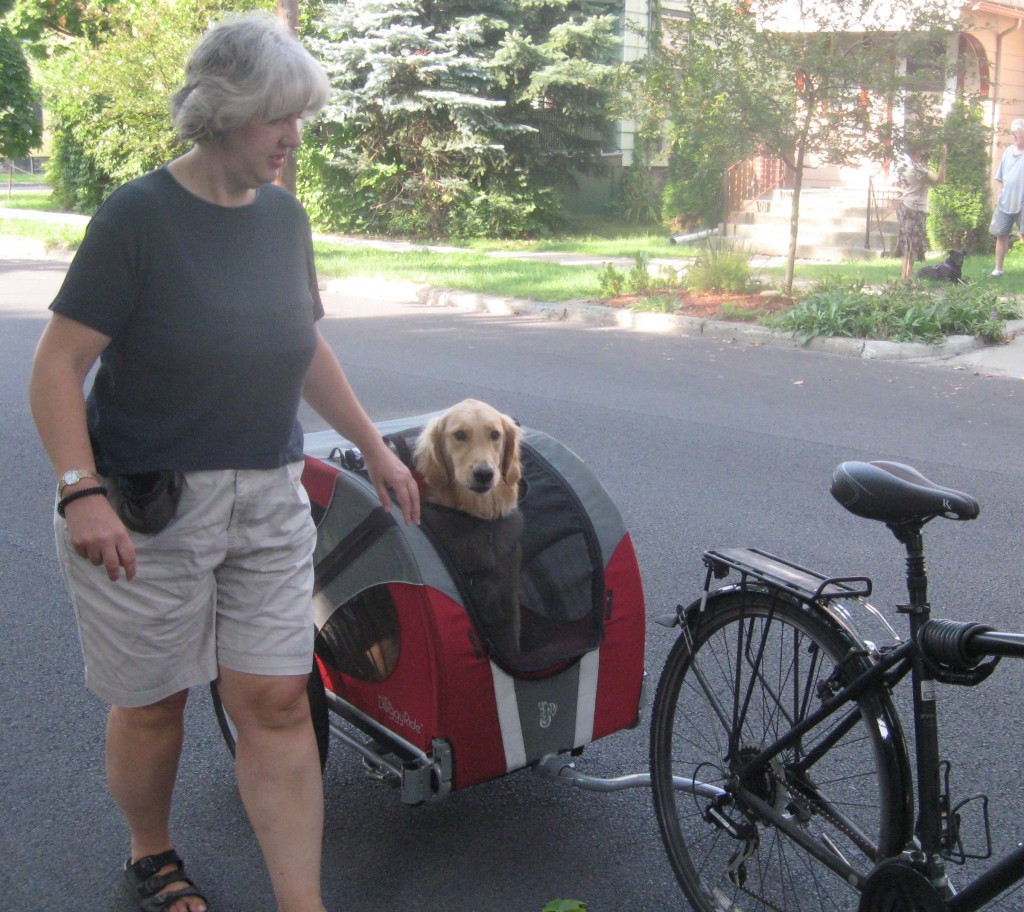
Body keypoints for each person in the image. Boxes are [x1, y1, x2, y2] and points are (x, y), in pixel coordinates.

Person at [28, 13, 420, 912]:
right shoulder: (138, 216)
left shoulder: (284, 220)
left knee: (277, 700)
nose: (292, 138)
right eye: (275, 118)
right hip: (145, 504)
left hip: (269, 495)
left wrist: (370, 445)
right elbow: (57, 366)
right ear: (221, 112)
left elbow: (303, 343)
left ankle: (301, 903)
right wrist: (79, 489)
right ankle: (151, 854)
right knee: (156, 702)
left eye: (299, 119)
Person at [895, 143, 946, 281]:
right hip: (914, 209)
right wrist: (943, 158)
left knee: (908, 247)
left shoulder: (907, 165)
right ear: (917, 152)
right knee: (910, 248)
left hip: (908, 207)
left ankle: (906, 279)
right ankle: (905, 280)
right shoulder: (917, 168)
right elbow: (939, 180)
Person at [990, 117, 1024, 276]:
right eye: (1013, 132)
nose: (1014, 135)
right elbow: (999, 177)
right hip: (1005, 201)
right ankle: (998, 269)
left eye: (1017, 132)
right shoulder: (1008, 152)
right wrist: (999, 194)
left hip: (1022, 202)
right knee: (1001, 234)